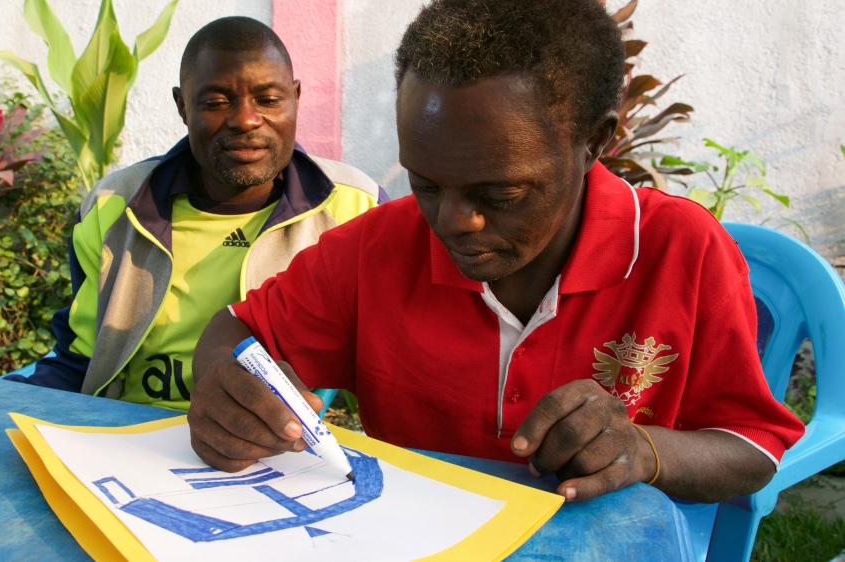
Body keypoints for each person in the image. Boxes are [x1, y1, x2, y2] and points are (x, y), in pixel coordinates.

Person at [187, 0, 805, 503]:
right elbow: (238, 329)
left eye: (500, 192)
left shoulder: (680, 251)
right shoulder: (376, 250)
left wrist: (646, 450)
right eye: (425, 183)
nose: (454, 221)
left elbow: (750, 448)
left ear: (592, 142)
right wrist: (226, 387)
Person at [5, 17, 387, 410]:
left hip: (274, 445)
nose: (245, 120)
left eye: (269, 100)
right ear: (182, 106)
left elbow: (388, 358)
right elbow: (79, 360)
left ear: (295, 97)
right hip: (128, 434)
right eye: (216, 103)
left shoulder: (355, 207)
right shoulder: (114, 206)